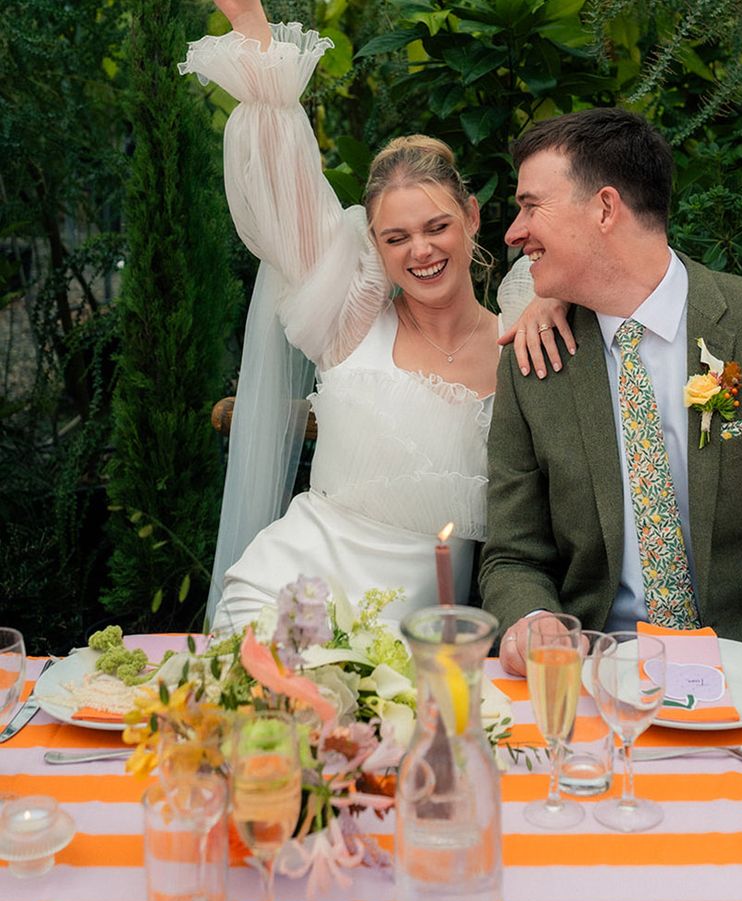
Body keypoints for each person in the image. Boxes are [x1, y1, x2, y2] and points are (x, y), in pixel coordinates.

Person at [181, 1, 564, 632]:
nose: (421, 251)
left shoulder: (523, 332)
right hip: (286, 596)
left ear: (471, 217)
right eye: (396, 237)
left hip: (416, 635)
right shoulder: (350, 318)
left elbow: (616, 266)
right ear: (375, 248)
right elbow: (288, 187)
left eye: (437, 227)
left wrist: (556, 295)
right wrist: (253, 28)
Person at [480, 108, 742, 675]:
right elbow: (513, 556)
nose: (514, 233)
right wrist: (531, 619)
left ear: (604, 208)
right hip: (596, 672)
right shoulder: (533, 357)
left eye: (530, 205)